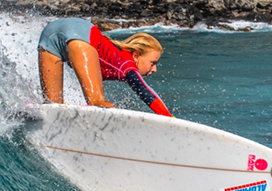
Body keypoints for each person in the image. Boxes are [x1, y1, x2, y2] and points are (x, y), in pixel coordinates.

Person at [38, 18, 173, 117]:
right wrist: (169, 118)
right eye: (152, 63)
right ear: (136, 55)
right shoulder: (127, 63)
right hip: (80, 33)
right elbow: (145, 91)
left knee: (52, 108)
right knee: (98, 103)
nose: (154, 69)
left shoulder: (115, 54)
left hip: (50, 32)